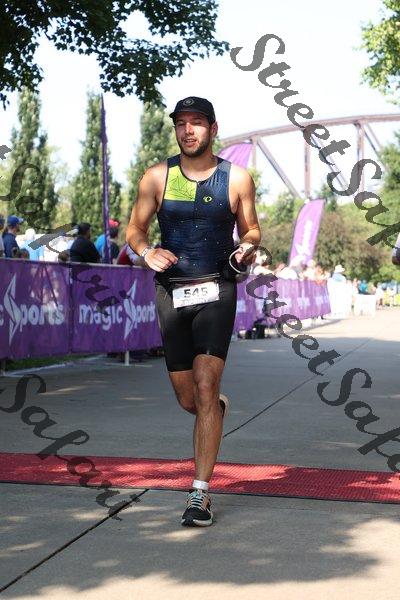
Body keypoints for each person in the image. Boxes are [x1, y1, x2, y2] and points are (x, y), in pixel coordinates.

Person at [126, 96, 260, 527]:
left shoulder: (235, 177)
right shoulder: (156, 176)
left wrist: (247, 247)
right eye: (181, 123)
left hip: (217, 288)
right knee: (192, 400)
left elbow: (252, 228)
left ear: (213, 128)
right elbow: (135, 228)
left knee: (205, 384)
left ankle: (199, 494)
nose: (188, 130)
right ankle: (212, 408)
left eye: (197, 122)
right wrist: (146, 251)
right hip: (171, 293)